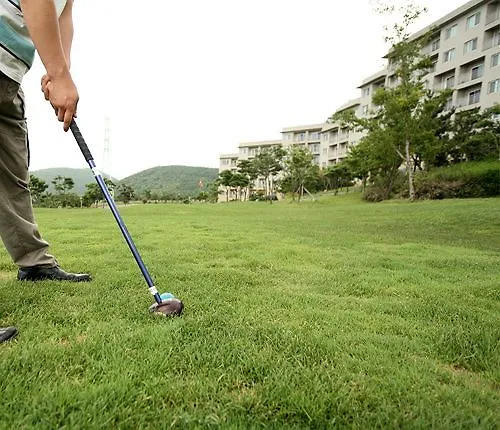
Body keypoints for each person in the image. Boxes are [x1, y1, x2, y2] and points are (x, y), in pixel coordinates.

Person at [1, 0, 90, 343]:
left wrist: (59, 72)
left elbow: (63, 16)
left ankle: (34, 262)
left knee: (12, 177)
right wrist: (60, 74)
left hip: (8, 72)